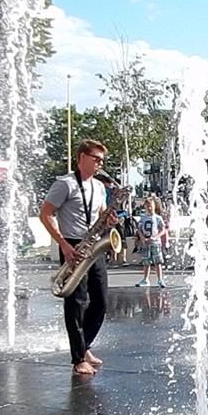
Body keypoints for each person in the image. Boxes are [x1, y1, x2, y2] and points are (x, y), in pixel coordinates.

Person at [39, 139, 117, 376]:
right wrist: (63, 244)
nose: (100, 164)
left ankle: (85, 346)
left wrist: (109, 219)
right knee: (77, 302)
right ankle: (78, 358)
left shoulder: (99, 186)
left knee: (101, 301)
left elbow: (100, 214)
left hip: (94, 245)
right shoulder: (65, 184)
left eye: (102, 160)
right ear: (82, 157)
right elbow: (45, 214)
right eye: (96, 159)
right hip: (73, 245)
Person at [136, 198, 166, 287]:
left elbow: (163, 230)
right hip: (146, 242)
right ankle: (146, 279)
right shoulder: (143, 217)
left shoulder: (158, 218)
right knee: (146, 261)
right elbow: (139, 229)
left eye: (151, 206)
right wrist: (142, 238)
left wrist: (155, 237)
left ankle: (160, 279)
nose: (149, 208)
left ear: (154, 206)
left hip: (155, 242)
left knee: (158, 262)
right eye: (147, 206)